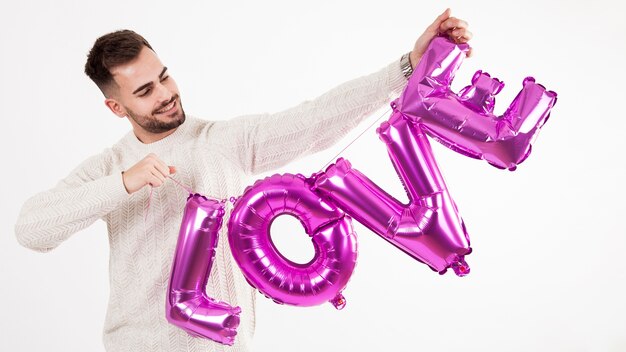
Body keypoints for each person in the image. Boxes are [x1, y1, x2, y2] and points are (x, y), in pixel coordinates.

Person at [15, 8, 472, 352]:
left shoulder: (223, 141)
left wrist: (408, 66)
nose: (166, 94)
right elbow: (32, 229)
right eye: (144, 91)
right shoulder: (108, 166)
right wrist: (123, 182)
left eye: (164, 76)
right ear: (116, 107)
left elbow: (315, 119)